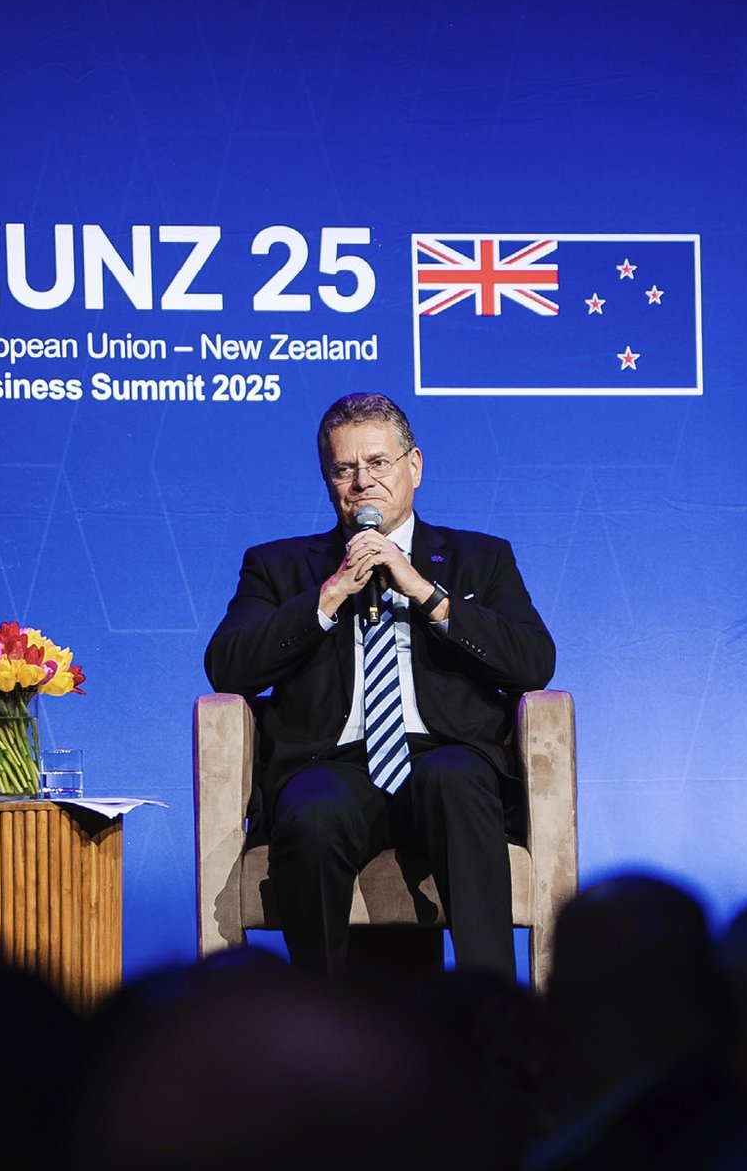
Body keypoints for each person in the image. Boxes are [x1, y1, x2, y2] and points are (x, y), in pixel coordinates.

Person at [203, 391, 556, 977]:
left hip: (444, 757)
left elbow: (532, 662)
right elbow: (228, 668)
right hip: (331, 764)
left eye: (378, 463)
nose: (362, 481)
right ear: (328, 480)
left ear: (413, 466)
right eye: (344, 469)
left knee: (460, 782)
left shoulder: (481, 559)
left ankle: (488, 1011)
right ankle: (326, 1032)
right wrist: (330, 594)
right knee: (311, 812)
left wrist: (425, 592)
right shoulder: (278, 566)